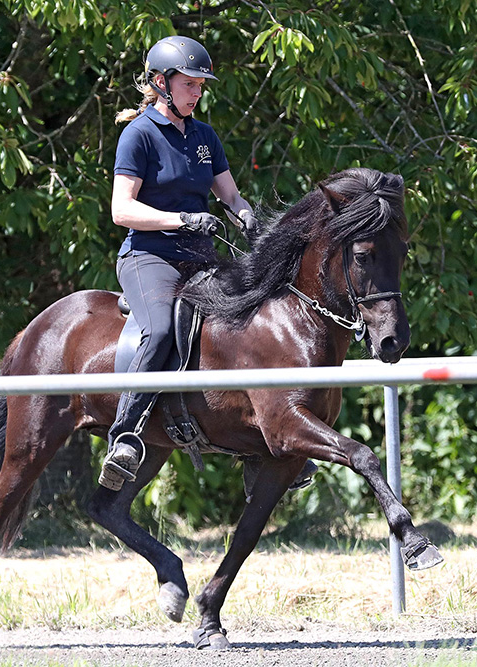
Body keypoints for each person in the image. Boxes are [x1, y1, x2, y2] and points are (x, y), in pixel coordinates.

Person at [100, 35, 316, 493]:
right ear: (161, 83)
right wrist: (179, 219)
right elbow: (122, 210)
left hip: (199, 259)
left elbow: (230, 194)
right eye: (191, 84)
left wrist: (245, 215)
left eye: (201, 86)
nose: (198, 92)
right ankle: (125, 434)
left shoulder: (204, 136)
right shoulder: (137, 135)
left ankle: (265, 435)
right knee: (159, 331)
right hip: (149, 257)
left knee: (251, 322)